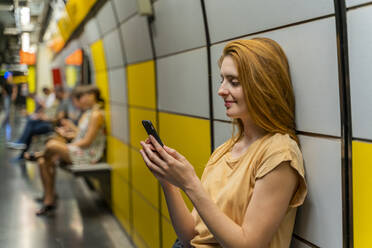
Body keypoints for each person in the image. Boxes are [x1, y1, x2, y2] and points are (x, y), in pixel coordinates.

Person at [139, 38, 307, 248]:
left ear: (263, 86)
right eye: (222, 80)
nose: (221, 90)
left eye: (234, 82)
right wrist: (169, 181)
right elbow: (191, 236)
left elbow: (249, 245)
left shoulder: (280, 153)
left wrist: (190, 183)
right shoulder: (225, 150)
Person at [34, 85, 106, 216]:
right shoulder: (88, 113)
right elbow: (81, 134)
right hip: (80, 150)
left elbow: (87, 142)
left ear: (92, 96)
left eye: (82, 96)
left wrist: (68, 147)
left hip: (88, 154)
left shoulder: (96, 115)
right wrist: (70, 129)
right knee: (42, 162)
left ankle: (40, 154)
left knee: (51, 145)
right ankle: (49, 198)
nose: (80, 100)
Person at [7, 87, 66, 157]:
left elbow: (58, 118)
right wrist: (41, 116)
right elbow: (48, 112)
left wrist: (47, 118)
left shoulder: (63, 103)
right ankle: (21, 145)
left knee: (31, 127)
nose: (55, 95)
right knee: (31, 122)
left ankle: (21, 147)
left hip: (51, 125)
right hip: (47, 122)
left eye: (56, 94)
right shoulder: (57, 102)